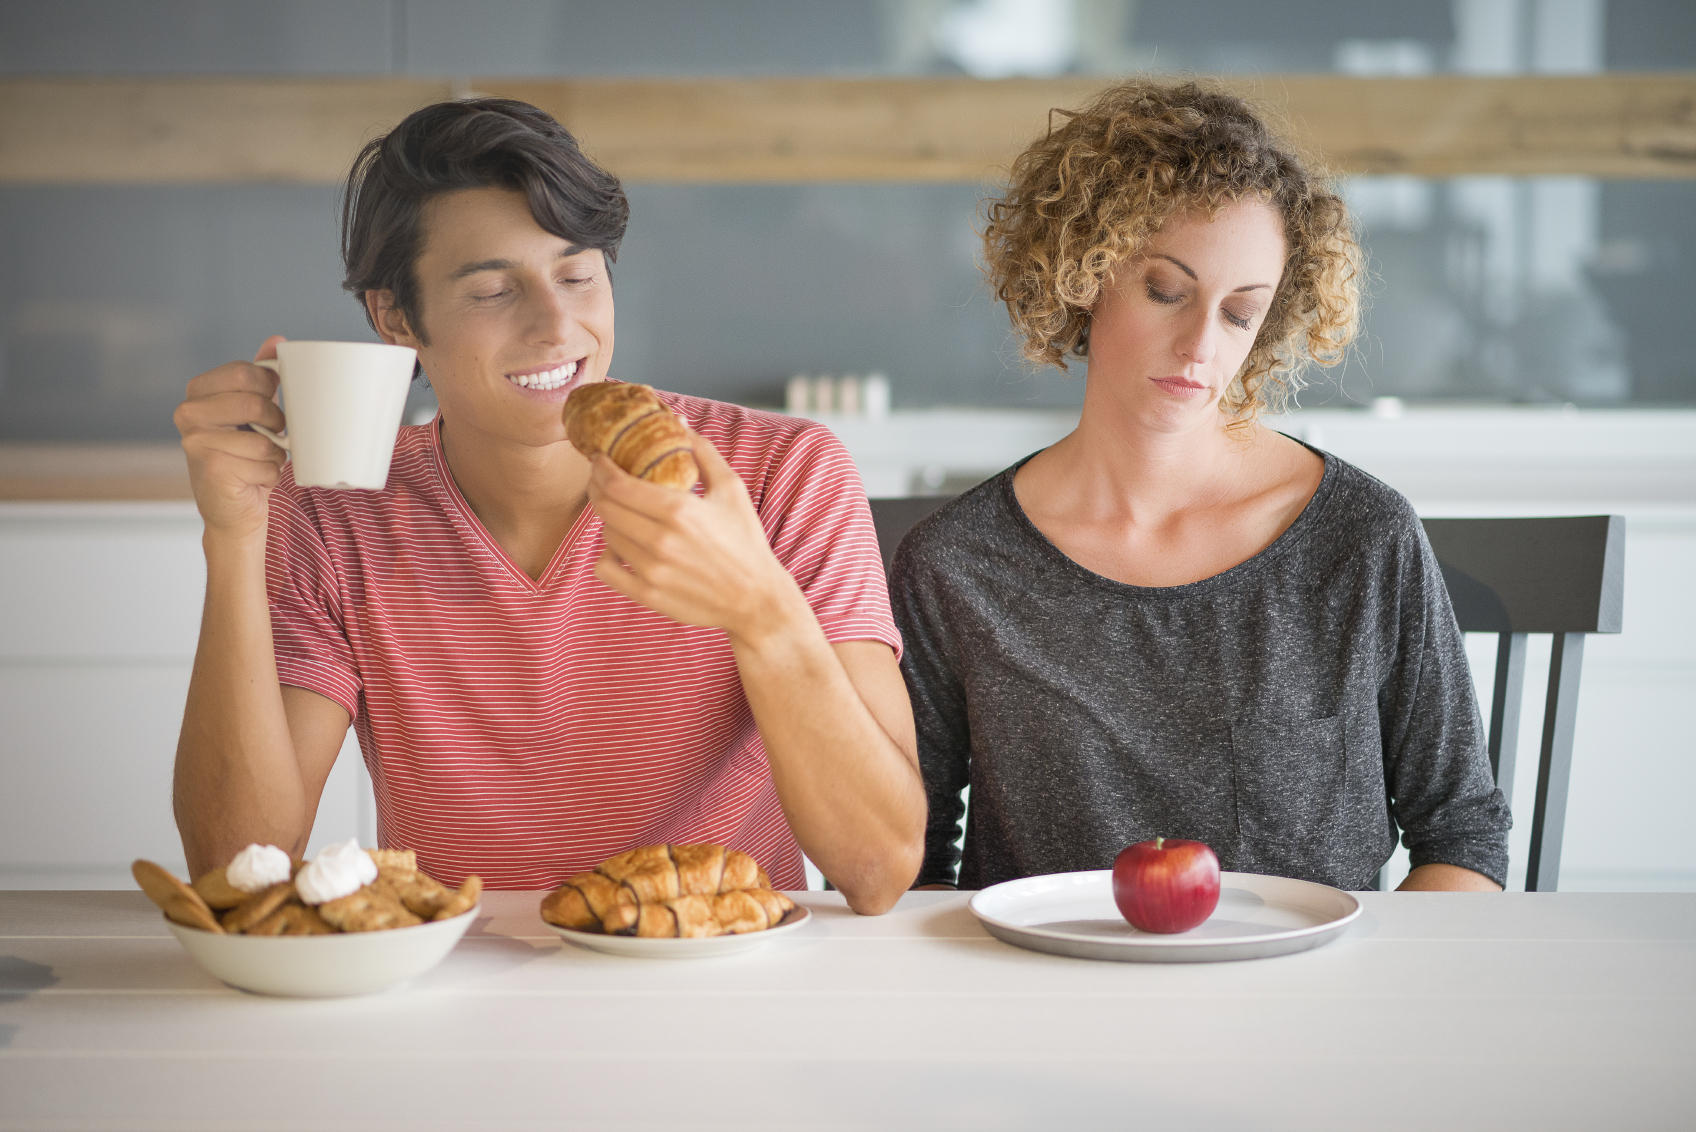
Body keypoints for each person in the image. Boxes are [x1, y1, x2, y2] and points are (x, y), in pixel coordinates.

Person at [170, 98, 924, 913]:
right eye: (494, 291)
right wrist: (235, 535)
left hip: (715, 981)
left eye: (576, 275)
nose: (558, 324)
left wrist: (761, 610)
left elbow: (879, 869)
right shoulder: (336, 513)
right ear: (395, 317)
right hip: (460, 987)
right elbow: (236, 864)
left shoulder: (781, 476)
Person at [891, 79, 1510, 894]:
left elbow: (1462, 837)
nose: (1199, 347)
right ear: (1081, 275)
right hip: (1044, 1007)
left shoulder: (1363, 536)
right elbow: (909, 865)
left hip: (1312, 1007)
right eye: (1165, 291)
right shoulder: (957, 564)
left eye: (1239, 312)